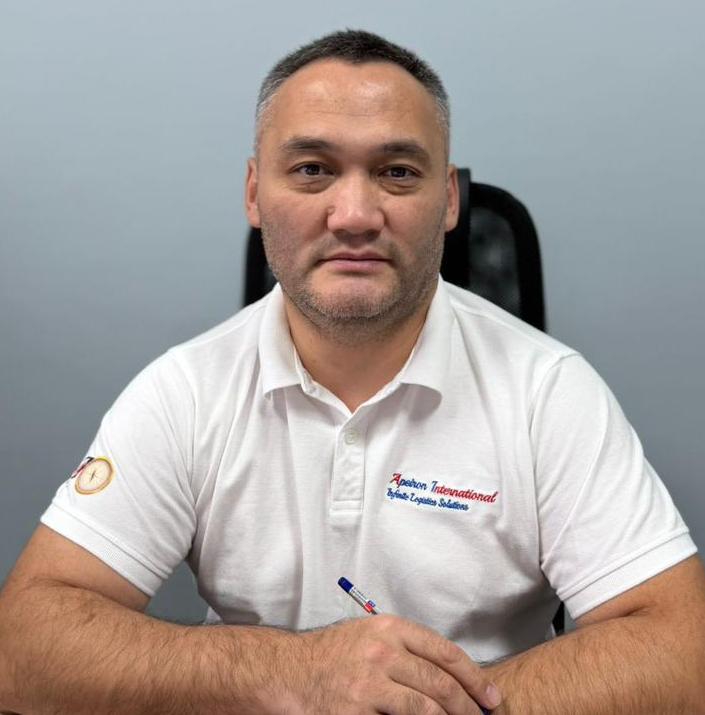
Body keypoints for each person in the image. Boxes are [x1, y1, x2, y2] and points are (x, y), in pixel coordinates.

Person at [0, 29, 704, 715]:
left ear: (449, 201)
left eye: (397, 172)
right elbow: (21, 652)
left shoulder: (548, 391)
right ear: (254, 193)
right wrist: (297, 675)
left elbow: (685, 654)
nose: (356, 215)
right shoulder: (184, 391)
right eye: (312, 169)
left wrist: (428, 706)